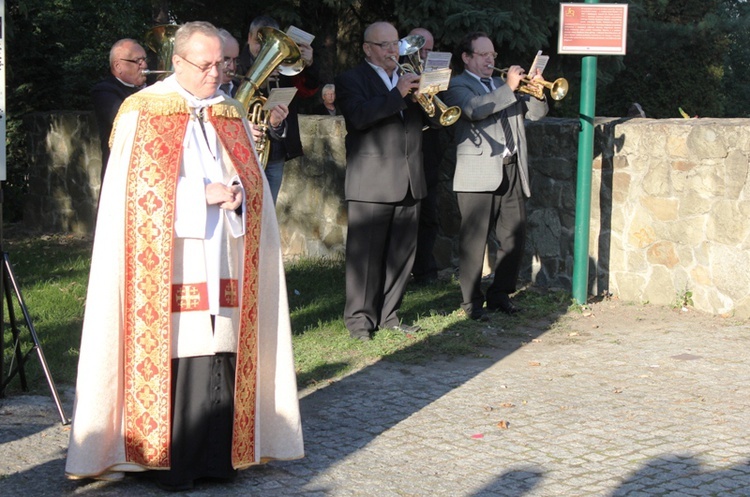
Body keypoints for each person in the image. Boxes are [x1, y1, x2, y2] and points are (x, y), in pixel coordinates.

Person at [65, 21, 303, 490]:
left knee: (221, 347)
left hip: (224, 251)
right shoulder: (142, 111)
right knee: (180, 351)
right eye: (206, 64)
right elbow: (136, 194)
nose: (217, 73)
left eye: (223, 64)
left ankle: (220, 458)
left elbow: (248, 176)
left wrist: (237, 191)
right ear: (177, 61)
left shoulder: (228, 110)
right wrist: (202, 195)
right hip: (170, 256)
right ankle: (168, 462)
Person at [335, 21, 438, 341]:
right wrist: (398, 94)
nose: (393, 50)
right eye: (384, 45)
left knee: (401, 254)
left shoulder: (408, 76)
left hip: (409, 178)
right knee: (366, 257)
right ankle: (359, 322)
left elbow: (434, 123)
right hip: (372, 182)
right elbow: (360, 117)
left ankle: (389, 314)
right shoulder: (351, 79)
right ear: (367, 48)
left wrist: (429, 96)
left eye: (396, 44)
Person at [442, 31, 548, 321]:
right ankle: (471, 303)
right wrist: (510, 89)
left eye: (493, 55)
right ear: (467, 57)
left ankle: (500, 294)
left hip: (512, 167)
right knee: (474, 241)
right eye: (484, 54)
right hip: (477, 172)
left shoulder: (503, 85)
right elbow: (475, 110)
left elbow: (537, 115)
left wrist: (536, 90)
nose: (491, 59)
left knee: (514, 236)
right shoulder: (457, 85)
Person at [238, 15, 320, 204]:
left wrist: (309, 65)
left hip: (275, 152)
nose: (263, 48)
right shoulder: (236, 63)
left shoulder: (284, 66)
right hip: (245, 150)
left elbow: (308, 91)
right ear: (249, 38)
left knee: (268, 211)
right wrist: (258, 79)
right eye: (259, 42)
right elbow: (231, 96)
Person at [407, 27, 440, 285]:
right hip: (404, 149)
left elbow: (443, 118)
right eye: (421, 50)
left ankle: (425, 270)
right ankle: (402, 269)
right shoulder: (399, 73)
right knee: (406, 214)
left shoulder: (436, 74)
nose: (425, 54)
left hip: (429, 148)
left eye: (429, 49)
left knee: (429, 213)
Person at [91, 39, 147, 182]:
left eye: (145, 60)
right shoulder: (104, 91)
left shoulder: (154, 86)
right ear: (118, 66)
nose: (144, 65)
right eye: (137, 61)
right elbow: (126, 120)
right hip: (120, 172)